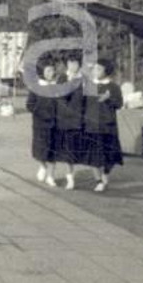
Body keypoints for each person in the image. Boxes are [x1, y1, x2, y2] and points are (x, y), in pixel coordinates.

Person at [81, 58, 124, 192]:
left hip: (108, 126)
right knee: (94, 156)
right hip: (91, 126)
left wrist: (108, 99)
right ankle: (98, 180)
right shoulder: (89, 86)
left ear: (107, 71)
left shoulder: (113, 87)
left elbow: (119, 104)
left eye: (99, 69)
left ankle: (105, 173)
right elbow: (82, 105)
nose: (96, 71)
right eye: (94, 68)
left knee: (110, 155)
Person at [26, 58, 59, 187]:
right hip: (40, 124)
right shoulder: (36, 87)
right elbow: (29, 105)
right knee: (39, 151)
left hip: (55, 124)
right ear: (42, 72)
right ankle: (42, 166)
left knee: (53, 151)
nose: (51, 73)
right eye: (48, 70)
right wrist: (40, 112)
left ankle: (51, 176)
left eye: (52, 70)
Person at [55, 54, 85, 190]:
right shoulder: (62, 78)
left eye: (76, 63)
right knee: (68, 150)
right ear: (67, 64)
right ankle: (70, 177)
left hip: (80, 118)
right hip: (65, 119)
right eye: (71, 63)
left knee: (76, 148)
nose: (73, 66)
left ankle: (100, 177)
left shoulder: (84, 79)